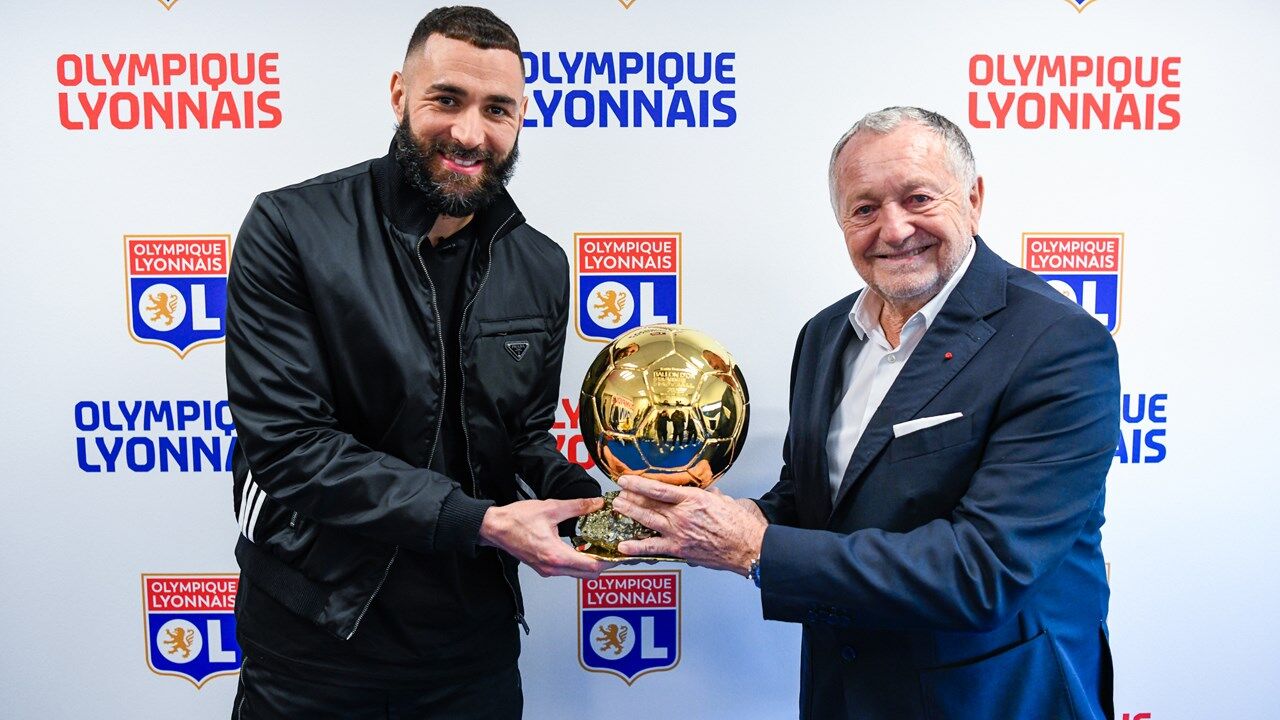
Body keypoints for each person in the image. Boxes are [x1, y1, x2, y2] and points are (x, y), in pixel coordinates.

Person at [614, 106, 1119, 719]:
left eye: (918, 198)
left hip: (991, 697)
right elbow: (815, 500)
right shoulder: (825, 335)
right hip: (843, 692)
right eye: (864, 209)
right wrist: (721, 518)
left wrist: (755, 547)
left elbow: (984, 571)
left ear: (975, 198)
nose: (895, 229)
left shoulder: (1058, 343)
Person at [224, 7, 610, 718]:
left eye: (497, 109)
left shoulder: (542, 264)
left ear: (521, 116)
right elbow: (290, 448)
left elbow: (520, 440)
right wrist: (483, 523)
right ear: (400, 94)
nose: (470, 133)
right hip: (316, 643)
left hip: (474, 652)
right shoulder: (291, 229)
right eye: (447, 99)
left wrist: (596, 506)